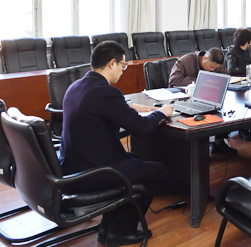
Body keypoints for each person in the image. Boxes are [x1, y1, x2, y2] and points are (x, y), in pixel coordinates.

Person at [60, 41, 172, 246]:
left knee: (134, 159)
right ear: (112, 63)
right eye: (123, 65)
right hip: (94, 172)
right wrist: (162, 113)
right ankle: (121, 231)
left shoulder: (75, 86)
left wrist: (131, 107)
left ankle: (107, 228)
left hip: (72, 167)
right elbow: (141, 127)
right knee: (157, 172)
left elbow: (105, 110)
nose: (123, 70)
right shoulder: (106, 92)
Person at [168, 48, 236, 155]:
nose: (213, 70)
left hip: (207, 99)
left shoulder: (214, 63)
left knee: (224, 112)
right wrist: (202, 81)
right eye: (211, 67)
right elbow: (174, 81)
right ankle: (193, 151)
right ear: (204, 58)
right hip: (186, 99)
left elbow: (224, 75)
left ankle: (218, 142)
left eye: (215, 68)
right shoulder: (186, 61)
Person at [225, 28, 251, 141]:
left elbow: (249, 63)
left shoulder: (245, 51)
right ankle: (243, 129)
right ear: (247, 42)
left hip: (246, 82)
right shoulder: (232, 52)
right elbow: (231, 70)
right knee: (243, 104)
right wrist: (250, 66)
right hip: (235, 87)